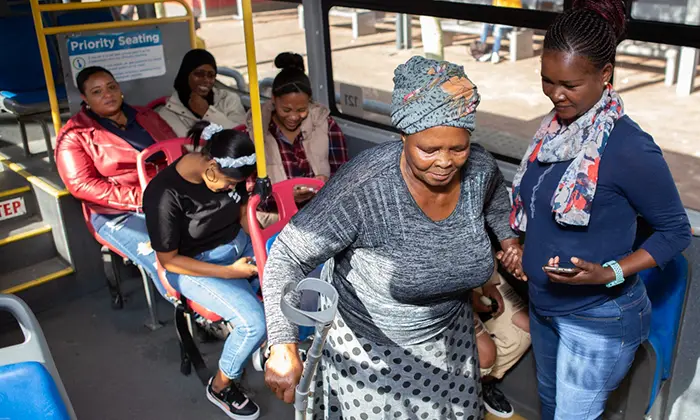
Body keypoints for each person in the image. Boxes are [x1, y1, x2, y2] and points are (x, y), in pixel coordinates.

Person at [261, 55, 523, 419]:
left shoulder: (479, 167)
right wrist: (282, 342)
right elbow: (287, 256)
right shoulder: (364, 187)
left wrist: (508, 241)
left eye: (457, 148)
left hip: (451, 336)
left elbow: (494, 200)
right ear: (403, 136)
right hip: (373, 351)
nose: (445, 161)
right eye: (428, 149)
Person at [508, 1, 692, 419]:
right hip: (544, 306)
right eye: (547, 81)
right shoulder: (552, 132)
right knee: (552, 407)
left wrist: (609, 272)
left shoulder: (629, 148)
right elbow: (541, 208)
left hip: (598, 319)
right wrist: (521, 246)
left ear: (604, 74)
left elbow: (675, 233)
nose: (556, 95)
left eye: (570, 84)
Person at [143, 121, 265, 420]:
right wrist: (230, 273)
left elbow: (241, 215)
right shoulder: (164, 194)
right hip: (193, 266)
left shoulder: (226, 174)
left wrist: (264, 251)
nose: (231, 188)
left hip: (238, 246)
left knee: (295, 278)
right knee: (253, 322)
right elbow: (169, 260)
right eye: (227, 183)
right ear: (211, 166)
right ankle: (221, 385)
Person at [55, 66, 176, 301]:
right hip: (116, 212)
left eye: (111, 87)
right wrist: (141, 198)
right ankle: (191, 308)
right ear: (85, 98)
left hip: (166, 195)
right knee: (164, 253)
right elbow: (82, 185)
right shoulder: (74, 135)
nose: (108, 95)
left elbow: (174, 150)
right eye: (97, 91)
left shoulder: (145, 116)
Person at [246, 52, 348, 204]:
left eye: (301, 110)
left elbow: (344, 175)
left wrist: (326, 184)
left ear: (309, 102)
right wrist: (285, 197)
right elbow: (252, 195)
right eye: (286, 110)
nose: (294, 117)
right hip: (278, 215)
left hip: (320, 208)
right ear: (273, 99)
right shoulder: (255, 132)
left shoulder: (326, 125)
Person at [472, 264, 531, 418]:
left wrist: (489, 282)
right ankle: (461, 387)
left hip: (478, 270)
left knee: (524, 328)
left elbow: (483, 244)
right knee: (486, 355)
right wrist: (469, 298)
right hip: (436, 291)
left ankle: (484, 382)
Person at [158, 49, 247, 137]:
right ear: (186, 75)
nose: (206, 80)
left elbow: (241, 136)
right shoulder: (168, 112)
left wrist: (207, 113)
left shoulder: (228, 99)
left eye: (211, 75)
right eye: (199, 74)